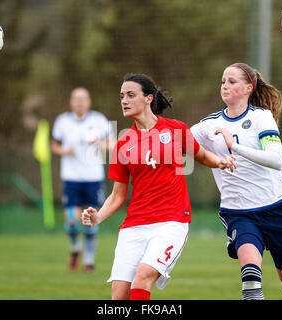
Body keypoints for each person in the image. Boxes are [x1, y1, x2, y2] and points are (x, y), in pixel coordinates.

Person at [81, 73, 236, 300]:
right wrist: (97, 218)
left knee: (142, 277)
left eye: (131, 95)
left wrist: (220, 161)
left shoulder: (176, 130)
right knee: (118, 295)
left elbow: (201, 155)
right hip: (134, 225)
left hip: (170, 222)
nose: (124, 100)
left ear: (148, 98)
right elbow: (117, 195)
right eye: (122, 96)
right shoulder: (123, 143)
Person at [191, 62, 282, 300]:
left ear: (248, 87)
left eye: (232, 81)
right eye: (222, 81)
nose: (225, 86)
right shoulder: (208, 125)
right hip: (239, 213)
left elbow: (277, 160)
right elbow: (177, 144)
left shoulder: (261, 118)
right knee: (250, 279)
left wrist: (233, 146)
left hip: (276, 210)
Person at [52, 87, 114, 272]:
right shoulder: (62, 121)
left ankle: (88, 260)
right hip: (71, 178)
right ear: (71, 102)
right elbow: (54, 145)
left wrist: (100, 143)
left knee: (90, 221)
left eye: (83, 99)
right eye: (76, 99)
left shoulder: (99, 120)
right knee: (71, 220)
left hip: (93, 178)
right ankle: (75, 248)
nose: (80, 102)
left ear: (89, 102)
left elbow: (113, 144)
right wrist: (64, 151)